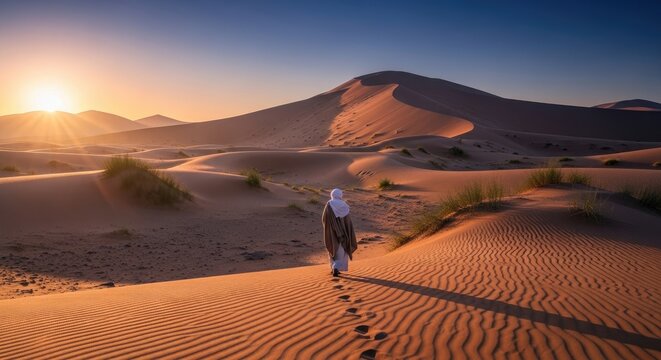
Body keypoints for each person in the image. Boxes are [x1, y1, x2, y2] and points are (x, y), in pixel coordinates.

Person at [322, 188, 357, 277]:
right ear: (340, 195)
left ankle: (334, 267)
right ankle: (336, 267)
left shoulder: (329, 205)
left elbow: (324, 219)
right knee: (342, 250)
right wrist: (347, 231)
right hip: (343, 232)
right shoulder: (344, 205)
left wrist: (329, 228)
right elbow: (348, 221)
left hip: (331, 232)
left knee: (332, 250)